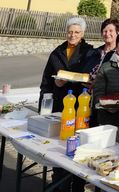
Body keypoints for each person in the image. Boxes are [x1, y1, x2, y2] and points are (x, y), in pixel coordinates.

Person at [39, 17, 93, 192]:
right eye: (70, 31)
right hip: (59, 108)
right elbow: (46, 80)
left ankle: (76, 188)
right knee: (59, 151)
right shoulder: (57, 52)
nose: (73, 35)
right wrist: (43, 107)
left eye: (77, 32)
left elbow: (90, 78)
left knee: (78, 154)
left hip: (80, 109)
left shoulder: (90, 52)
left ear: (83, 34)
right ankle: (58, 187)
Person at [83, 18, 119, 127]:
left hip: (106, 103)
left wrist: (98, 83)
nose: (107, 34)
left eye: (110, 31)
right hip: (88, 99)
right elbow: (86, 71)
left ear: (117, 33)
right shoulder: (95, 52)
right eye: (104, 31)